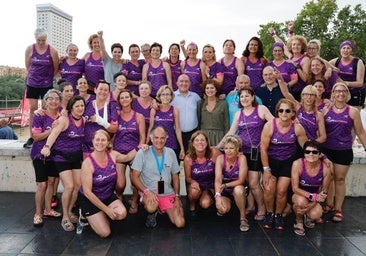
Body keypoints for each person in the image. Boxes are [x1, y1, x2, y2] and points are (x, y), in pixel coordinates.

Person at [218, 87, 274, 221]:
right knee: (247, 181)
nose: (244, 99)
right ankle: (251, 205)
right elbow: (232, 132)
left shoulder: (261, 109)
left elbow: (274, 123)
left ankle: (262, 208)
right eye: (242, 96)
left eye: (247, 96)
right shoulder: (239, 114)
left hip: (257, 151)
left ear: (253, 97)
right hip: (242, 153)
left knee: (254, 183)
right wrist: (218, 146)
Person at [260, 99, 308, 230]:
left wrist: (323, 157)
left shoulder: (297, 128)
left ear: (293, 113)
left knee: (281, 190)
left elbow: (307, 147)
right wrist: (266, 169)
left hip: (288, 162)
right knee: (269, 189)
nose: (284, 113)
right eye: (281, 110)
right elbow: (263, 148)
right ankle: (269, 213)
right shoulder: (270, 126)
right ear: (277, 112)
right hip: (271, 161)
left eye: (287, 111)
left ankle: (278, 215)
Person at [321, 82, 366, 222]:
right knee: (327, 179)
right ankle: (328, 204)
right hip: (327, 150)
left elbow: (360, 132)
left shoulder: (353, 111)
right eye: (337, 91)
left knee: (339, 180)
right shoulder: (325, 110)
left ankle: (338, 209)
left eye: (343, 91)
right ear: (333, 94)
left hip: (343, 150)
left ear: (347, 94)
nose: (340, 93)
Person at [40, 95, 86, 231]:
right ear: (71, 107)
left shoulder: (84, 120)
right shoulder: (64, 120)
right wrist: (47, 147)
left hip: (76, 157)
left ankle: (70, 211)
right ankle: (65, 217)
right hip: (62, 157)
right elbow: (53, 134)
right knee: (70, 186)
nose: (80, 108)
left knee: (78, 186)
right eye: (77, 106)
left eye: (82, 106)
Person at [78, 129, 136, 238]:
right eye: (97, 140)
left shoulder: (113, 155)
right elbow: (87, 192)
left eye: (103, 140)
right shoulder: (87, 163)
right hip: (90, 199)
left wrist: (140, 147)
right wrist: (107, 210)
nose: (100, 143)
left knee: (122, 214)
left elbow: (127, 157)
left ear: (108, 142)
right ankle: (85, 213)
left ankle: (100, 214)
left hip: (107, 195)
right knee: (105, 233)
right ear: (93, 141)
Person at [131, 126, 185, 229]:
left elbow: (175, 176)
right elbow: (134, 177)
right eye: (156, 137)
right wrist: (147, 191)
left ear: (166, 139)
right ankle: (152, 212)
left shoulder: (171, 152)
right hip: (149, 192)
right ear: (151, 138)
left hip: (167, 192)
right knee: (151, 207)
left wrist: (177, 196)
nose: (159, 141)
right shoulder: (142, 152)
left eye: (162, 138)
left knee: (180, 223)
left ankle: (161, 208)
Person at [30, 89, 63, 227]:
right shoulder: (40, 115)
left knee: (51, 183)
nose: (53, 101)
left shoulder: (62, 114)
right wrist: (51, 131)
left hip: (55, 155)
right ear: (45, 101)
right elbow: (35, 137)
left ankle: (48, 209)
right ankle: (38, 213)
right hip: (40, 154)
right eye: (50, 98)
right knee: (42, 185)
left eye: (56, 98)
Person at [24, 27, 59, 148]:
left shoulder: (52, 51)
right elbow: (28, 66)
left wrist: (46, 78)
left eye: (43, 40)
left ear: (46, 39)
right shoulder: (30, 49)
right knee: (33, 109)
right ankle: (32, 136)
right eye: (39, 40)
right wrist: (35, 77)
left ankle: (44, 135)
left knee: (45, 109)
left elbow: (56, 68)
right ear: (35, 39)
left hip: (46, 83)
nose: (40, 42)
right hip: (32, 83)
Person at [113, 89, 146, 214]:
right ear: (119, 101)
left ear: (131, 99)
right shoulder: (116, 115)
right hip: (119, 152)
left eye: (127, 97)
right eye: (122, 98)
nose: (125, 99)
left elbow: (143, 137)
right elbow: (112, 135)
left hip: (134, 151)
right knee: (120, 184)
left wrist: (136, 150)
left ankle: (135, 200)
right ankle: (119, 196)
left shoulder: (139, 116)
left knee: (135, 180)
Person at [291, 140, 331, 236]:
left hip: (315, 197)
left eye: (315, 152)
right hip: (300, 194)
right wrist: (312, 196)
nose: (311, 154)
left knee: (316, 214)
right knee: (300, 202)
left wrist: (312, 205)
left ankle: (308, 217)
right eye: (307, 152)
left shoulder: (325, 168)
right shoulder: (297, 164)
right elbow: (295, 188)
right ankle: (299, 220)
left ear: (320, 154)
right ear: (304, 153)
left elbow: (324, 191)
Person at [214, 135, 249, 232]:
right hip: (224, 190)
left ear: (237, 149)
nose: (228, 151)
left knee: (238, 190)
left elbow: (241, 180)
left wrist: (226, 185)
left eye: (231, 148)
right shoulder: (220, 158)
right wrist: (217, 196)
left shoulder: (242, 158)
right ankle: (225, 205)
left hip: (237, 187)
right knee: (223, 209)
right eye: (226, 148)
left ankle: (243, 217)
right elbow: (217, 179)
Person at [184, 131, 222, 220]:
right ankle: (192, 206)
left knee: (205, 204)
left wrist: (237, 155)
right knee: (194, 192)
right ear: (192, 143)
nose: (200, 142)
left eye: (202, 140)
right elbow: (187, 177)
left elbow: (225, 159)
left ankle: (209, 199)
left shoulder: (214, 152)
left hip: (211, 185)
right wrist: (193, 182)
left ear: (207, 142)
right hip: (197, 185)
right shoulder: (188, 158)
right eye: (197, 140)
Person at [147, 85, 185, 161]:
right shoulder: (155, 109)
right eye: (163, 94)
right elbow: (151, 127)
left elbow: (177, 129)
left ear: (171, 96)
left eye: (168, 94)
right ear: (159, 96)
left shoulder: (174, 110)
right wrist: (146, 143)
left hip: (171, 142)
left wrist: (182, 147)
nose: (165, 97)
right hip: (157, 143)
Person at [82, 80, 118, 158]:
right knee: (87, 169)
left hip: (103, 148)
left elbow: (114, 129)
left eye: (106, 90)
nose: (103, 92)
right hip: (87, 148)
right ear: (95, 90)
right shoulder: (86, 104)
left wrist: (100, 121)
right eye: (101, 89)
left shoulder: (111, 107)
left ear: (109, 93)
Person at [329, 40, 366, 110]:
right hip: (341, 93)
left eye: (348, 48)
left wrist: (344, 83)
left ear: (351, 50)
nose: (346, 50)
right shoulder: (336, 61)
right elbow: (323, 63)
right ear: (340, 50)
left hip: (356, 93)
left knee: (354, 117)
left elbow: (360, 83)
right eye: (343, 48)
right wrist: (331, 69)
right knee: (341, 116)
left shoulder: (358, 62)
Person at [171, 74, 201, 152]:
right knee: (177, 158)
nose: (184, 84)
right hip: (176, 134)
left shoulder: (196, 97)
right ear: (177, 83)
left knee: (191, 159)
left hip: (192, 134)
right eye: (181, 81)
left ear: (190, 83)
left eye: (186, 81)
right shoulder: (171, 97)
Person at [197, 81, 229, 146]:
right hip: (204, 136)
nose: (209, 90)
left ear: (216, 89)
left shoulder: (223, 103)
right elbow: (198, 121)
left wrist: (226, 139)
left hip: (219, 136)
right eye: (207, 88)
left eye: (212, 88)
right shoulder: (200, 103)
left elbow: (226, 123)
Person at [287, 35, 310, 101]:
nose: (295, 46)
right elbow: (282, 45)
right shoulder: (290, 57)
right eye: (294, 44)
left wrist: (296, 65)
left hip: (300, 92)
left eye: (298, 44)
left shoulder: (305, 59)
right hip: (289, 90)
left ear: (302, 47)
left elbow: (305, 79)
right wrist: (273, 35)